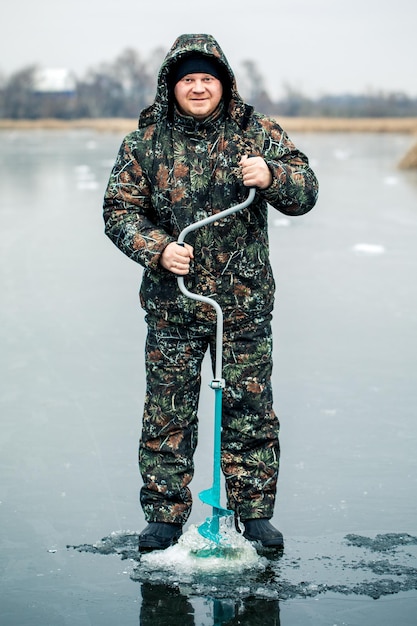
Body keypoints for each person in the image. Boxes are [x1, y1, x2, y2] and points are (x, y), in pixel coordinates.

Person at [103, 33, 318, 553]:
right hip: (173, 304)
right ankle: (163, 517)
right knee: (167, 412)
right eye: (188, 80)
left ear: (223, 83)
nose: (198, 88)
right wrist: (157, 250)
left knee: (250, 409)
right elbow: (118, 212)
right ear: (171, 85)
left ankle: (254, 515)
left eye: (207, 78)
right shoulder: (145, 143)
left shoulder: (257, 133)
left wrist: (272, 175)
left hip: (243, 304)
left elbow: (305, 190)